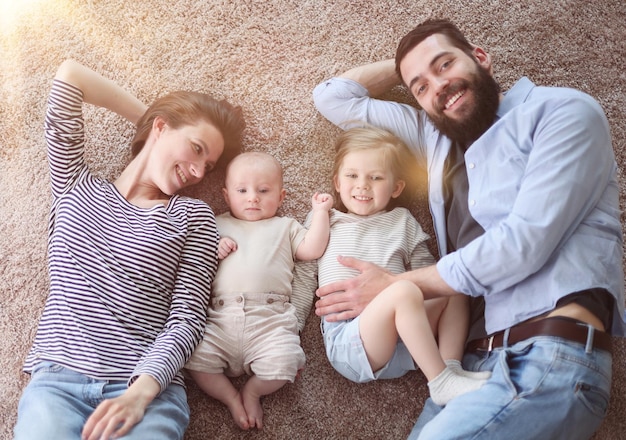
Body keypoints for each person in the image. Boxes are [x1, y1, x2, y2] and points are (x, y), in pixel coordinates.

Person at [312, 18, 625, 440]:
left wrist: (399, 285)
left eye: (445, 65)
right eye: (420, 86)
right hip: (466, 364)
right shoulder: (432, 137)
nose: (436, 86)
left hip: (548, 353)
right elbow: (333, 97)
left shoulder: (560, 110)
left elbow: (522, 244)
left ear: (480, 58)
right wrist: (409, 66)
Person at [13, 59, 245, 440]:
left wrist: (140, 393)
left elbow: (187, 317)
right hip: (58, 384)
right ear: (161, 127)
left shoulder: (191, 215)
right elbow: (71, 74)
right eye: (197, 148)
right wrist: (150, 118)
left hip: (145, 391)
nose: (200, 172)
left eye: (209, 164)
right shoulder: (74, 184)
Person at [292, 125, 490, 405]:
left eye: (375, 177)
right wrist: (293, 326)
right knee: (404, 291)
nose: (362, 185)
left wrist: (412, 291)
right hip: (351, 339)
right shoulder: (328, 220)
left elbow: (428, 276)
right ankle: (440, 381)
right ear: (337, 183)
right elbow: (304, 272)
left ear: (396, 187)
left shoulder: (403, 221)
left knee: (451, 280)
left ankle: (449, 368)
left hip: (409, 335)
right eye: (352, 176)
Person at [185, 151, 334, 430]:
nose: (252, 197)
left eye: (263, 190)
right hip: (219, 318)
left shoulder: (285, 227)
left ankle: (253, 391)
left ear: (281, 197)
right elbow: (193, 261)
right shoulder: (215, 224)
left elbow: (313, 249)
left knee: (287, 362)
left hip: (270, 318)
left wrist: (321, 213)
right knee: (193, 358)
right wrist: (213, 249)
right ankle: (230, 397)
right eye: (242, 190)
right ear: (227, 196)